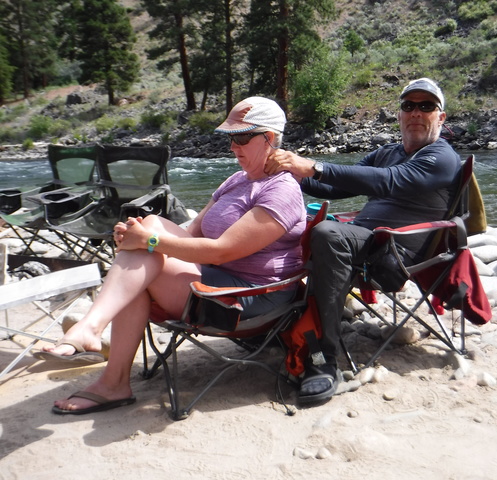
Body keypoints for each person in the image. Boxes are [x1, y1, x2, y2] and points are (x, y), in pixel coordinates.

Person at [36, 96, 307, 415]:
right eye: (230, 138)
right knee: (149, 226)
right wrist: (138, 237)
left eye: (242, 138)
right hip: (216, 280)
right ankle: (97, 343)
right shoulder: (237, 180)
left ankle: (103, 357)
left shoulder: (282, 190)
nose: (233, 147)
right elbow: (191, 232)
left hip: (249, 298)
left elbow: (223, 251)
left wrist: (149, 242)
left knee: (147, 248)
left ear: (269, 137)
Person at [265, 77, 462, 404]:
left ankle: (321, 359)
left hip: (395, 254)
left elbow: (390, 181)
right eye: (409, 105)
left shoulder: (442, 157)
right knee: (289, 227)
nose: (416, 112)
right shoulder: (387, 153)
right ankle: (275, 322)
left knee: (327, 233)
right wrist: (289, 173)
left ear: (440, 117)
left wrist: (313, 165)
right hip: (363, 242)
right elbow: (334, 187)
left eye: (426, 106)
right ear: (399, 115)